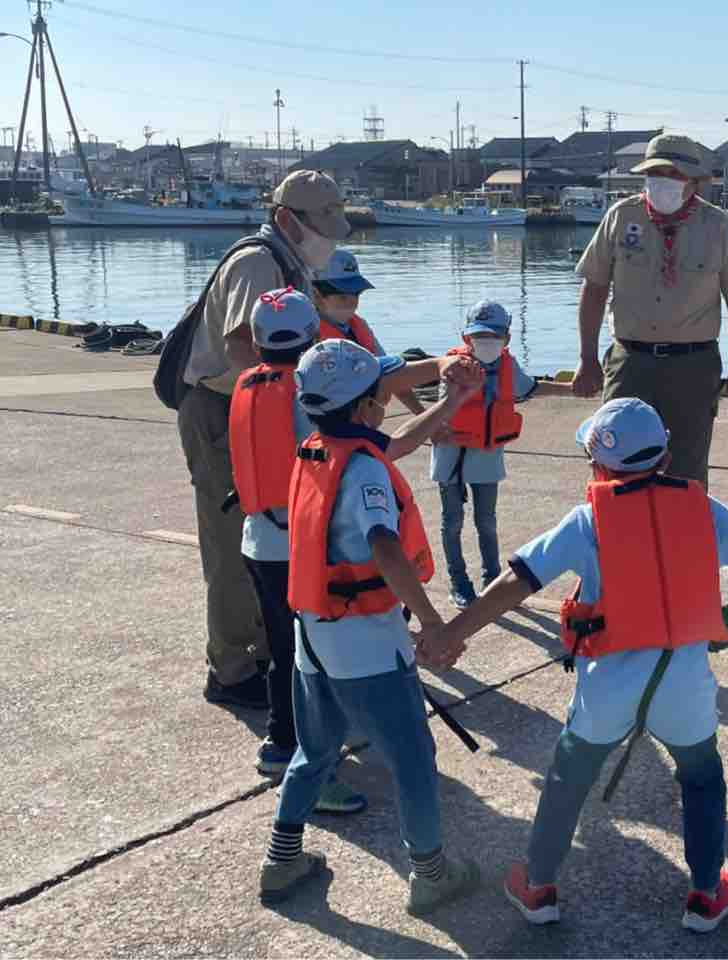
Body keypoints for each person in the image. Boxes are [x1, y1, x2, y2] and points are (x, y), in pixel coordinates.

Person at [436, 398, 728, 931]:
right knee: (702, 778)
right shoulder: (703, 509)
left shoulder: (586, 521)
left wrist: (451, 634)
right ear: (665, 458)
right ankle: (706, 894)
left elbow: (517, 581)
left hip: (607, 690)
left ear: (597, 466)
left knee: (567, 780)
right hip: (684, 687)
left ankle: (538, 887)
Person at [257, 339, 484, 912]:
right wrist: (432, 622)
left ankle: (281, 860)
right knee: (413, 760)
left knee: (316, 751)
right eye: (381, 393)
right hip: (365, 644)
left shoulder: (319, 446)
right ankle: (431, 874)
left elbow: (398, 443)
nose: (386, 400)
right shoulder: (362, 473)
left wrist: (453, 399)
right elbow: (385, 546)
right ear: (364, 408)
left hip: (313, 636)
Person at [229, 289, 480, 797]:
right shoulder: (317, 406)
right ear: (310, 338)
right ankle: (298, 755)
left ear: (256, 344)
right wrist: (450, 400)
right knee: (311, 662)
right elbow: (395, 445)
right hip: (302, 552)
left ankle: (288, 744)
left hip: (258, 541)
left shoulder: (256, 385)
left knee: (288, 651)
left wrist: (444, 389)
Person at [180, 169, 349, 709]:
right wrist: (303, 395)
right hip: (225, 411)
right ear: (286, 220)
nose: (330, 236)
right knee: (233, 546)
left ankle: (259, 650)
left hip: (255, 409)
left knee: (266, 536)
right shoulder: (259, 262)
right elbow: (241, 345)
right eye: (322, 223)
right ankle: (231, 672)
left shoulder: (289, 261)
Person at [571, 133, 728, 485]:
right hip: (629, 362)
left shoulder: (717, 226)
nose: (664, 180)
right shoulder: (620, 216)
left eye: (674, 173)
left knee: (686, 472)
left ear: (694, 181)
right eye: (656, 172)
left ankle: (682, 522)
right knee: (614, 463)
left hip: (692, 366)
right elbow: (594, 288)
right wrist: (587, 358)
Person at [430, 299, 574, 609]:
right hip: (451, 457)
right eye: (479, 336)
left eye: (493, 336)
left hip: (486, 456)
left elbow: (531, 388)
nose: (487, 342)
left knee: (486, 521)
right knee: (452, 522)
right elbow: (440, 411)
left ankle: (492, 580)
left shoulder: (510, 367)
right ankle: (459, 582)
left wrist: (572, 388)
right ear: (466, 338)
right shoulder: (454, 367)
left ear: (506, 338)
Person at [313, 248, 426, 415]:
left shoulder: (358, 325)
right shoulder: (307, 335)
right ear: (316, 295)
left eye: (356, 294)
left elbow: (393, 373)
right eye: (343, 296)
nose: (352, 303)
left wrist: (423, 415)